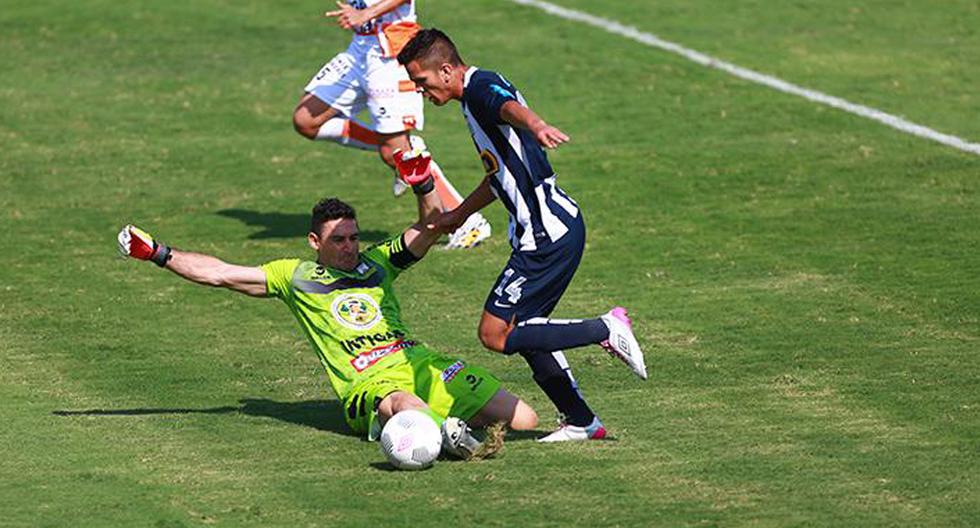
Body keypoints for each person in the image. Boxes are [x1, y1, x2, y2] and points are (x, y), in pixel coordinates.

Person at [116, 151, 538, 458]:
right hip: (370, 383)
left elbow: (431, 226)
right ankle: (433, 431)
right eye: (339, 239)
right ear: (315, 243)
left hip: (419, 363)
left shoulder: (378, 263)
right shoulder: (295, 276)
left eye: (353, 237)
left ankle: (449, 428)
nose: (350, 247)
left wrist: (423, 183)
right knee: (408, 408)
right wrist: (158, 253)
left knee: (524, 420)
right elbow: (221, 272)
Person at [397, 29, 648, 442]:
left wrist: (537, 124)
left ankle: (604, 328)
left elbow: (509, 108)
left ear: (446, 70)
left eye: (422, 82)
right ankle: (582, 420)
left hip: (544, 237)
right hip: (550, 228)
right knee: (527, 329)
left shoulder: (479, 90)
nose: (422, 92)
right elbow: (498, 174)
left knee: (495, 333)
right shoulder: (474, 93)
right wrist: (458, 214)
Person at [292, 0, 489, 249]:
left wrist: (366, 13)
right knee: (306, 120)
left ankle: (470, 222)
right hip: (360, 49)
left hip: (390, 54)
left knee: (394, 153)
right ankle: (405, 148)